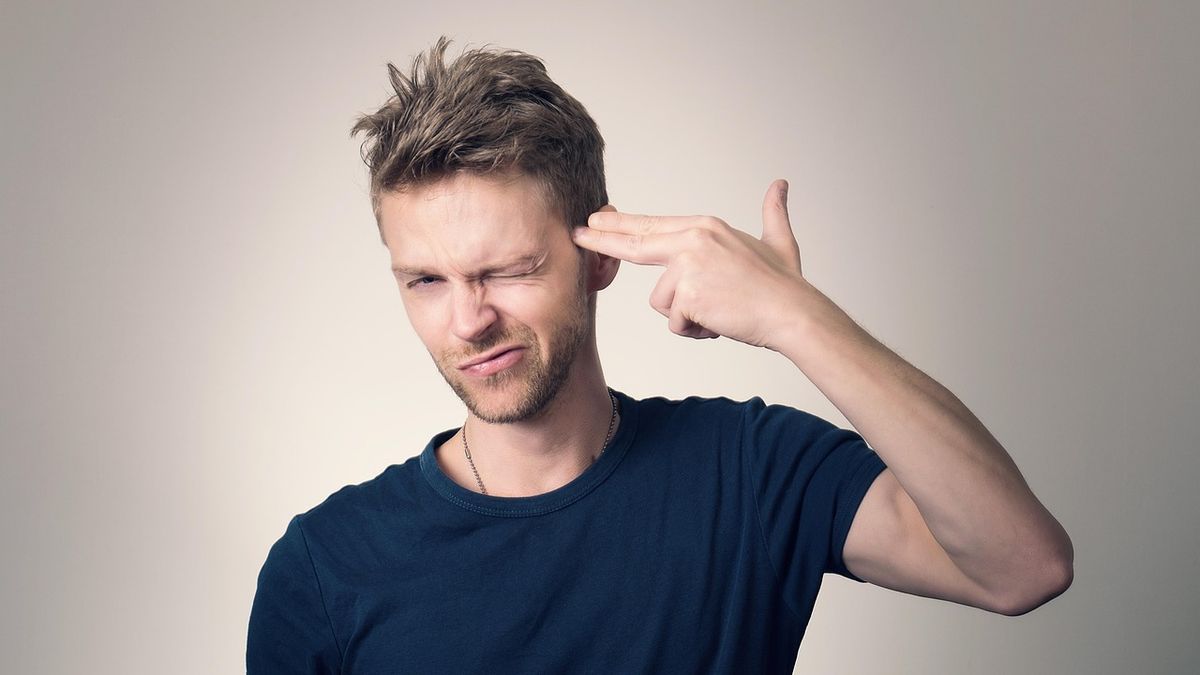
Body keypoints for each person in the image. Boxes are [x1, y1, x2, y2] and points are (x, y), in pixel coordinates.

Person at [247, 36, 1073, 673]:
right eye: (426, 280)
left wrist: (798, 318)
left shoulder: (748, 469)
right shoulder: (325, 567)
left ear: (600, 254)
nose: (468, 320)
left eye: (509, 270)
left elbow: (1023, 567)